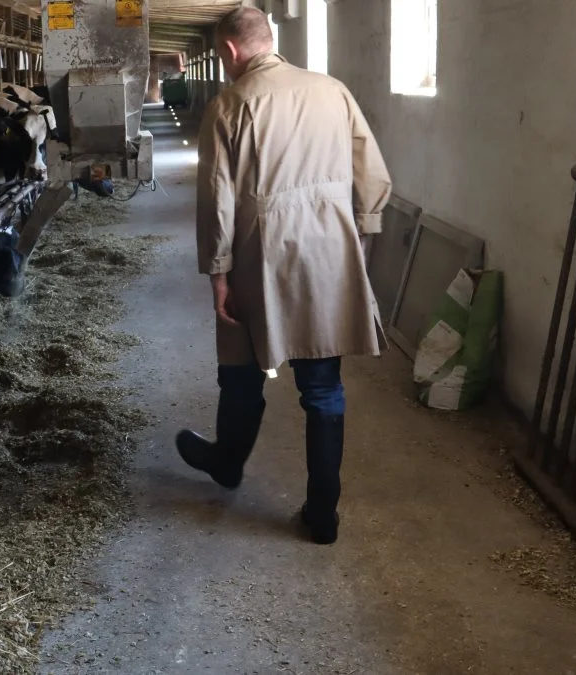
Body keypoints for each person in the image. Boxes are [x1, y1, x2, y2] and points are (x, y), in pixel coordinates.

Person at [176, 6, 392, 545]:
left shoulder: (230, 104)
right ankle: (323, 513)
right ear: (271, 39)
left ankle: (228, 463)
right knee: (323, 388)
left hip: (260, 254)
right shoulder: (333, 90)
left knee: (241, 369)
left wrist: (218, 274)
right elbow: (372, 172)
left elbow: (217, 201)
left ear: (229, 51)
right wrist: (360, 237)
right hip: (329, 251)